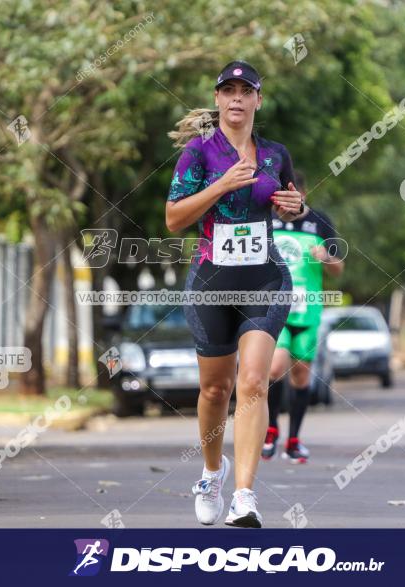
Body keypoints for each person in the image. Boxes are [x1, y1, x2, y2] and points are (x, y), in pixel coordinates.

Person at [166, 61, 304, 528]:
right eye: (230, 90)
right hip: (211, 280)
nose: (238, 98)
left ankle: (245, 496)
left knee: (252, 383)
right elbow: (172, 219)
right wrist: (221, 185)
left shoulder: (275, 154)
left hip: (264, 278)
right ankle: (211, 472)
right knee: (214, 389)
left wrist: (294, 206)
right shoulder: (198, 154)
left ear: (258, 100)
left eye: (247, 91)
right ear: (218, 99)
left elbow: (291, 203)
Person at [263, 188, 343, 464]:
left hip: (308, 312)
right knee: (274, 368)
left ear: (302, 194)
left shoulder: (320, 221)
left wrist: (326, 257)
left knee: (301, 375)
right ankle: (271, 429)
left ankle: (294, 440)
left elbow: (338, 268)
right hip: (275, 309)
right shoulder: (264, 219)